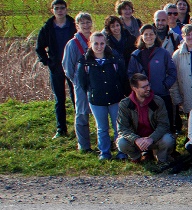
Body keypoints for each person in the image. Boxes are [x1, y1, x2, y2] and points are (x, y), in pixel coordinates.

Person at [77, 32, 129, 160]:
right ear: (90, 44)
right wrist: (93, 91)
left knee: (118, 127)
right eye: (96, 43)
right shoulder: (85, 62)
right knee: (102, 128)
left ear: (106, 44)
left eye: (102, 43)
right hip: (97, 100)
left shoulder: (114, 59)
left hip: (115, 98)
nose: (99, 46)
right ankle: (104, 152)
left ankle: (121, 151)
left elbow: (122, 78)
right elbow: (83, 82)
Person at [127, 24, 179, 134]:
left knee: (164, 122)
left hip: (161, 94)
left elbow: (172, 72)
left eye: (151, 34)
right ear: (141, 36)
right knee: (146, 123)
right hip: (142, 96)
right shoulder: (136, 55)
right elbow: (131, 74)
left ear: (155, 36)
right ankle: (148, 148)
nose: (149, 37)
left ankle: (168, 147)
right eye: (146, 34)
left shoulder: (163, 53)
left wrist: (165, 85)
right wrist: (137, 88)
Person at [36, 0, 75, 139]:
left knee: (76, 97)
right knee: (60, 99)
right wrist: (47, 62)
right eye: (57, 8)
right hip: (56, 67)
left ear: (66, 9)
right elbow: (39, 48)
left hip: (72, 66)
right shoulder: (47, 28)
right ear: (52, 10)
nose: (60, 11)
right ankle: (61, 129)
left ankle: (80, 128)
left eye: (62, 8)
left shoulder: (73, 25)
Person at [117, 73, 175, 164]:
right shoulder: (125, 104)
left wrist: (151, 138)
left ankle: (161, 159)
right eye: (144, 87)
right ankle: (136, 157)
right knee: (121, 143)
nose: (148, 88)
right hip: (137, 141)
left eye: (148, 85)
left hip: (155, 139)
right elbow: (122, 128)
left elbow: (163, 125)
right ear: (134, 89)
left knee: (168, 139)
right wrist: (136, 139)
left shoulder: (157, 101)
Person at [63, 12, 96, 151]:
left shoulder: (97, 40)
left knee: (99, 112)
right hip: (81, 83)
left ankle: (103, 143)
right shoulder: (72, 44)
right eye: (82, 23)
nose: (86, 25)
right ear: (77, 26)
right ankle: (84, 145)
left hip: (96, 82)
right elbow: (68, 67)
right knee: (82, 114)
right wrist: (77, 80)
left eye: (88, 22)